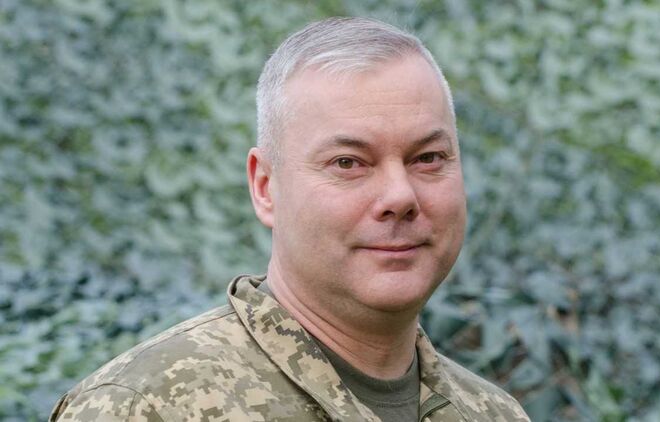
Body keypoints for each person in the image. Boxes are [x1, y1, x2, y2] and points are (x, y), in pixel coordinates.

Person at [50, 17, 530, 421]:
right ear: (265, 187)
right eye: (348, 163)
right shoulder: (147, 405)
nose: (400, 196)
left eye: (427, 158)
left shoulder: (493, 413)